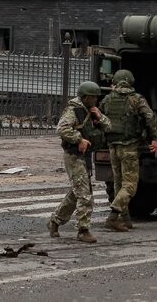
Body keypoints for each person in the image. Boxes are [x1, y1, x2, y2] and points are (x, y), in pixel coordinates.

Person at [48, 81, 112, 243]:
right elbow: (61, 129)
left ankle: (55, 221)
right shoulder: (73, 110)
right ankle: (83, 230)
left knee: (76, 193)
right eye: (93, 97)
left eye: (96, 98)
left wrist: (100, 116)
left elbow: (109, 127)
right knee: (84, 195)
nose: (95, 100)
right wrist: (79, 139)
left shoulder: (91, 111)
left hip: (85, 157)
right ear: (85, 97)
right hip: (74, 156)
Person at [100, 69, 157, 231]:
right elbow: (149, 117)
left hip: (113, 147)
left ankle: (126, 220)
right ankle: (113, 216)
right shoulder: (136, 99)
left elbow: (99, 118)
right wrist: (154, 138)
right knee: (130, 186)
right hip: (129, 147)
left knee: (119, 184)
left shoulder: (107, 99)